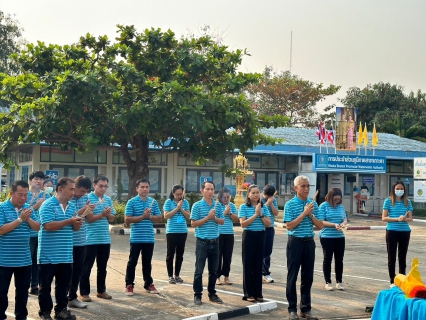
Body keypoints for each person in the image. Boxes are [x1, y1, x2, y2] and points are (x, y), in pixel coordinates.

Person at [37, 177, 82, 320]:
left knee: (63, 286)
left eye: (74, 189)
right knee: (45, 287)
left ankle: (61, 311)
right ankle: (45, 313)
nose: (73, 192)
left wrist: (77, 223)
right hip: (47, 255)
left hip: (66, 254)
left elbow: (74, 229)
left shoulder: (72, 206)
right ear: (60, 189)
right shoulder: (48, 205)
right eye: (71, 189)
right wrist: (70, 221)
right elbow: (48, 226)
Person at [284, 175, 323, 320]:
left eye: (308, 186)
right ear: (296, 188)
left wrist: (311, 215)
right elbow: (289, 225)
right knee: (292, 276)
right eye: (303, 186)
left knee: (308, 277)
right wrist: (304, 213)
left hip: (309, 242)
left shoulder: (314, 204)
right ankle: (292, 308)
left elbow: (320, 226)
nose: (306, 189)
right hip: (295, 242)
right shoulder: (290, 204)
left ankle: (306, 308)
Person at [0, 180, 40, 320]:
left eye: (26, 195)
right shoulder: (2, 208)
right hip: (4, 260)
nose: (23, 198)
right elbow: (1, 230)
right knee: (1, 292)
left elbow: (37, 227)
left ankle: (21, 317)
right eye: (20, 195)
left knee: (23, 292)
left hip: (24, 259)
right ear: (11, 193)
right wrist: (19, 220)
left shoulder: (28, 208)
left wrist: (27, 218)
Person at [79, 175, 115, 302]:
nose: (103, 188)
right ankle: (84, 292)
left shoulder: (108, 200)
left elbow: (112, 218)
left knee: (102, 267)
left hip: (105, 238)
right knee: (86, 267)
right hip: (90, 238)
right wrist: (103, 214)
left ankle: (101, 290)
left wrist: (108, 214)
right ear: (94, 186)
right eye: (101, 186)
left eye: (106, 186)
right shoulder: (87, 198)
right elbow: (89, 219)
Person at [124, 179, 162, 295]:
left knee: (147, 262)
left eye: (147, 187)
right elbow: (127, 219)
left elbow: (159, 218)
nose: (145, 189)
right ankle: (129, 285)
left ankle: (148, 284)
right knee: (132, 262)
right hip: (136, 237)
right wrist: (143, 216)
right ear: (137, 189)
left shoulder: (153, 202)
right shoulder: (132, 202)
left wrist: (149, 216)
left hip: (149, 237)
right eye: (142, 187)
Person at [190, 181, 224, 305]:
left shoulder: (218, 205)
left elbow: (222, 222)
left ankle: (212, 293)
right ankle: (197, 294)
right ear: (202, 191)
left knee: (214, 271)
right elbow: (193, 223)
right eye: (207, 189)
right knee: (199, 270)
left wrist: (214, 218)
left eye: (212, 189)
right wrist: (207, 218)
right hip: (202, 242)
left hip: (215, 242)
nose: (210, 192)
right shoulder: (197, 206)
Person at [239, 184, 271, 302]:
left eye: (258, 192)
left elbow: (268, 224)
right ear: (248, 194)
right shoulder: (243, 207)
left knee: (258, 265)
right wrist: (255, 214)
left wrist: (261, 214)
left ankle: (258, 293)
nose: (256, 195)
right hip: (249, 236)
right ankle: (249, 293)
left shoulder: (264, 207)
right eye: (253, 193)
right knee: (248, 265)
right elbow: (243, 224)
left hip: (261, 236)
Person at [67, 176, 94, 309]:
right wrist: (81, 210)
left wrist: (88, 210)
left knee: (78, 270)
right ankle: (62, 299)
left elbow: (89, 219)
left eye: (85, 192)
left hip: (82, 240)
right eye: (81, 191)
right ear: (75, 187)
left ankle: (72, 297)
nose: (83, 194)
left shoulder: (86, 199)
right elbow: (67, 217)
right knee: (66, 272)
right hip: (67, 241)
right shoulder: (67, 198)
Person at [382, 180, 413, 288]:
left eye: (401, 189)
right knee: (392, 257)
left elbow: (410, 219)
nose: (399, 190)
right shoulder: (388, 201)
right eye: (397, 189)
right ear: (394, 190)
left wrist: (405, 218)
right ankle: (392, 280)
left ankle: (402, 280)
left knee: (402, 257)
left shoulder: (407, 202)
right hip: (392, 231)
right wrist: (396, 219)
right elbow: (384, 218)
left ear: (404, 190)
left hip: (405, 232)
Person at [319, 188, 347, 291]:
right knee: (328, 259)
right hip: (327, 236)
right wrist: (334, 225)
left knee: (339, 260)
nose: (337, 201)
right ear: (330, 197)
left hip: (339, 236)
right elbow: (321, 222)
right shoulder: (323, 206)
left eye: (339, 199)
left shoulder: (341, 206)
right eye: (335, 199)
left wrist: (343, 223)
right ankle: (328, 282)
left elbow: (344, 218)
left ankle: (339, 281)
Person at [27, 171, 50, 296]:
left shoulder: (46, 195)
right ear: (30, 181)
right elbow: (21, 211)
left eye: (41, 179)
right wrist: (35, 206)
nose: (39, 181)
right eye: (36, 179)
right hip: (28, 234)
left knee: (37, 261)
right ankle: (25, 283)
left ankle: (34, 285)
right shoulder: (24, 194)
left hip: (42, 234)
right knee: (27, 260)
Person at [163, 184, 190, 284]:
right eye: (177, 194)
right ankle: (170, 275)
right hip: (172, 231)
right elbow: (166, 216)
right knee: (170, 254)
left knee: (180, 254)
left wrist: (181, 208)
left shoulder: (185, 202)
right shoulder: (168, 202)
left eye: (181, 194)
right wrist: (177, 208)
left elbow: (188, 216)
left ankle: (177, 275)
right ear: (173, 193)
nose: (179, 196)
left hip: (182, 231)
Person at [216, 187, 238, 285]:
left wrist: (230, 213)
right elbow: (215, 218)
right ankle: (217, 277)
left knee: (227, 256)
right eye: (224, 197)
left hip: (229, 234)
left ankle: (226, 276)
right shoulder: (216, 205)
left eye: (228, 197)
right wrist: (224, 213)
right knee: (218, 256)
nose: (226, 199)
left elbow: (236, 219)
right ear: (220, 197)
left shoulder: (232, 206)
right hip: (219, 234)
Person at [261, 184, 279, 283]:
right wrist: (267, 203)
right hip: (260, 228)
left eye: (268, 195)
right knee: (259, 251)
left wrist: (271, 203)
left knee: (268, 252)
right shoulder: (258, 199)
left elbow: (276, 213)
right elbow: (259, 211)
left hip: (270, 228)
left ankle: (266, 273)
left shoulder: (274, 200)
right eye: (265, 194)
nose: (266, 197)